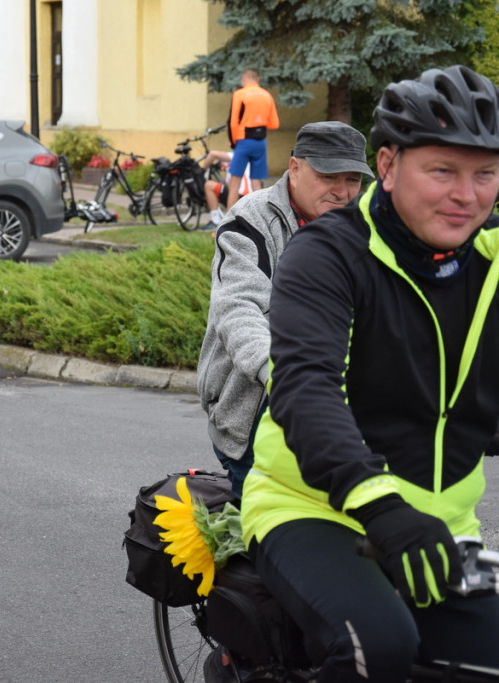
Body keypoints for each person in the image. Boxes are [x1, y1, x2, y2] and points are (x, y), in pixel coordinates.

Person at [240, 65, 499, 681]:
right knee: (376, 649)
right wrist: (380, 506)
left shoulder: (488, 261)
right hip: (314, 509)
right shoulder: (328, 255)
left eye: (485, 173)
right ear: (387, 166)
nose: (467, 195)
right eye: (442, 171)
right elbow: (304, 388)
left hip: (439, 526)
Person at [196, 121, 372, 498]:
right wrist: (288, 379)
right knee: (271, 541)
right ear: (294, 168)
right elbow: (239, 309)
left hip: (342, 415)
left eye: (353, 179)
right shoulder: (250, 220)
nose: (343, 193)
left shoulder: (365, 226)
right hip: (255, 412)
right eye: (329, 177)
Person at [226, 68, 279, 208]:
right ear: (258, 80)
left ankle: (227, 221)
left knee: (234, 183)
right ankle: (261, 220)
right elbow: (274, 123)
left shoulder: (240, 94)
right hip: (260, 141)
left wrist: (233, 142)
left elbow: (232, 123)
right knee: (257, 183)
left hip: (244, 141)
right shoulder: (267, 95)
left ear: (244, 79)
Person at [199, 149, 252, 230]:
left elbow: (212, 154)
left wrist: (201, 171)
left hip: (241, 195)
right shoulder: (245, 159)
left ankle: (215, 221)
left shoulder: (236, 155)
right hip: (248, 197)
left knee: (208, 185)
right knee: (219, 191)